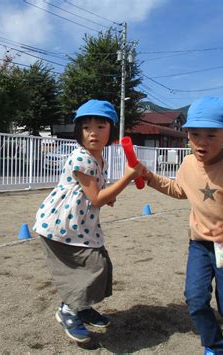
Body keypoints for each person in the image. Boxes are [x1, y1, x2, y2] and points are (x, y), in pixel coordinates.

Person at [141, 96, 223, 355]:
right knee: (196, 300)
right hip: (199, 243)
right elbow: (180, 189)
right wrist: (150, 177)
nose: (201, 142)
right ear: (187, 134)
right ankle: (214, 347)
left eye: (211, 135)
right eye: (194, 134)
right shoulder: (188, 163)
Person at [33, 99, 144, 344]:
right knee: (92, 268)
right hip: (59, 225)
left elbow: (97, 193)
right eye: (86, 127)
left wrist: (110, 195)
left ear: (111, 132)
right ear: (78, 132)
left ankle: (81, 307)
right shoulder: (81, 158)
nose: (93, 132)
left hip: (80, 224)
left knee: (100, 264)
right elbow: (96, 197)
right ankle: (68, 310)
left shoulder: (99, 159)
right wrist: (127, 177)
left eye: (101, 126)